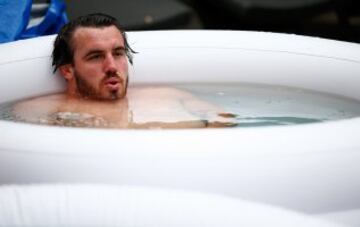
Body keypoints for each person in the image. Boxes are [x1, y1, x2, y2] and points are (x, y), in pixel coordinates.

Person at [13, 13, 237, 129]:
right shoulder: (40, 111)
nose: (111, 66)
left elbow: (225, 121)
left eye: (118, 53)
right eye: (95, 56)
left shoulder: (169, 95)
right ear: (68, 70)